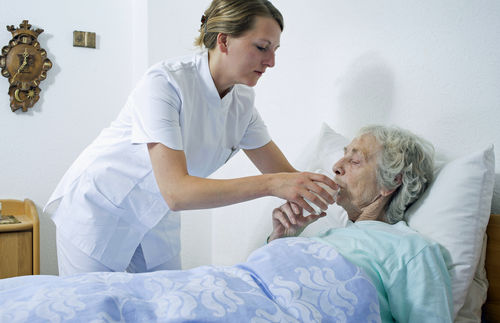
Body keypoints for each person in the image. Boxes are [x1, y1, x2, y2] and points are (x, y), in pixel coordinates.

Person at [45, 0, 337, 276]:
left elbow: (285, 176)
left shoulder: (242, 102)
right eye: (262, 47)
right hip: (100, 209)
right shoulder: (165, 82)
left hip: (156, 220)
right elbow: (176, 192)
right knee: (93, 309)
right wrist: (273, 186)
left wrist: (339, 193)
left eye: (275, 49)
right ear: (224, 41)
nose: (271, 61)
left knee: (166, 307)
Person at [267, 125, 453, 322]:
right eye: (343, 155)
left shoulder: (409, 249)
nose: (336, 166)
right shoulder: (326, 236)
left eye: (355, 161)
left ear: (390, 182)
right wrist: (278, 242)